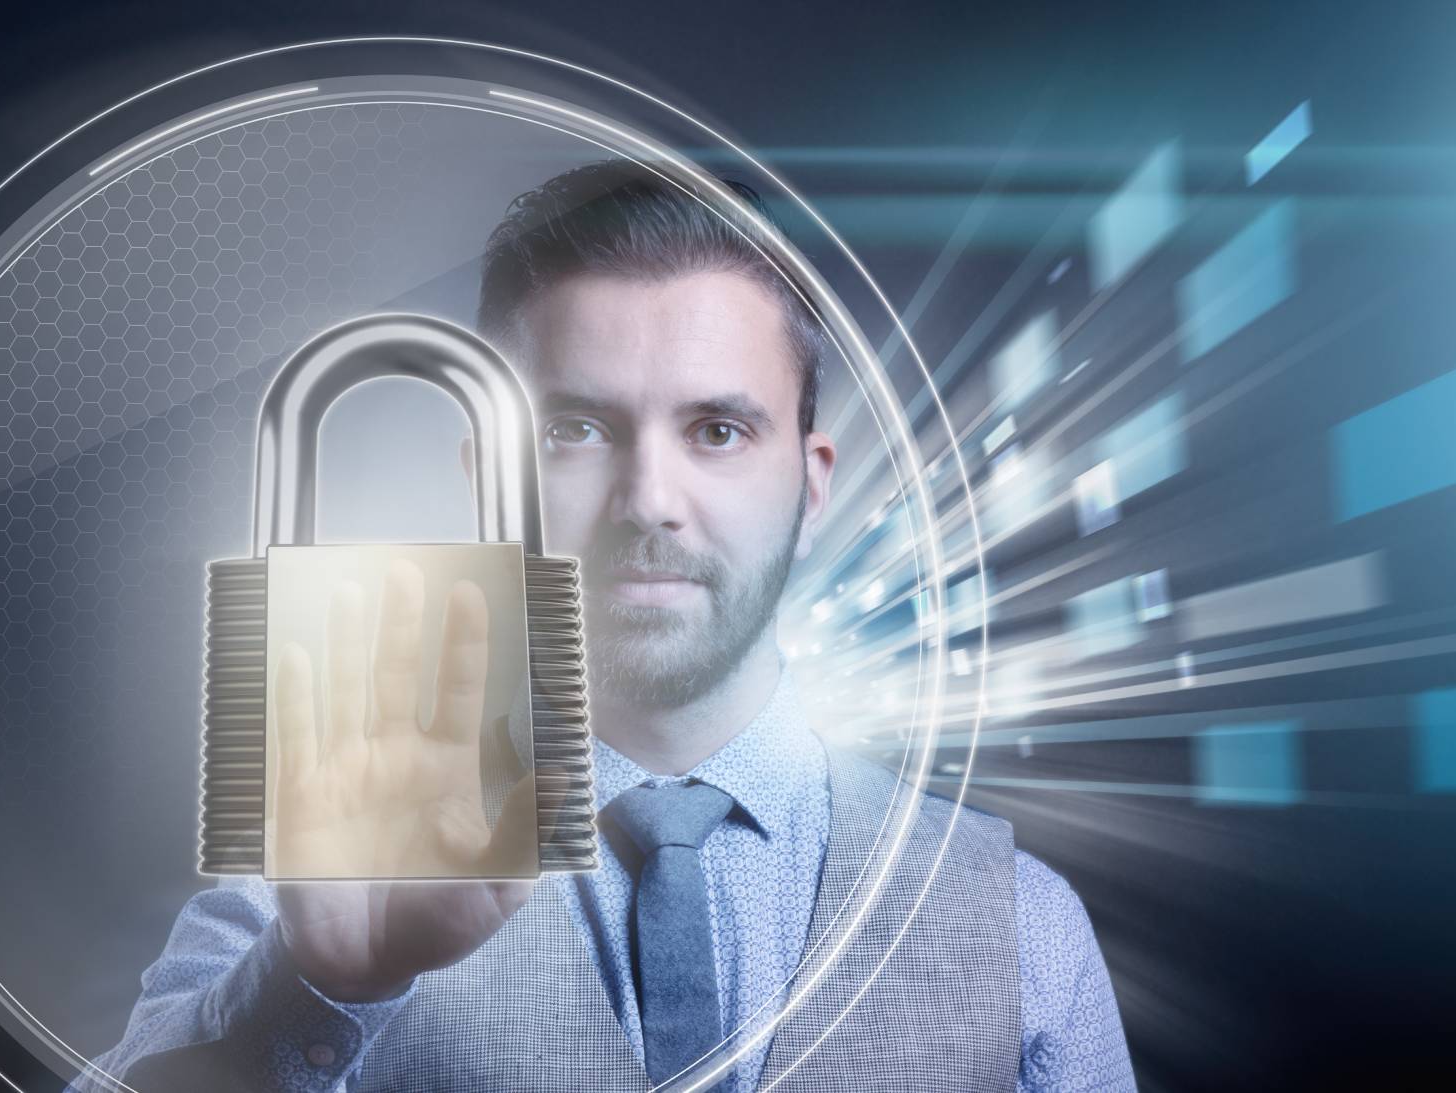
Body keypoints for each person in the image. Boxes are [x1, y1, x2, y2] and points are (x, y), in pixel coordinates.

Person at [73, 162, 1133, 1092]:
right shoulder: (316, 886)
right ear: (480, 479)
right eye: (575, 429)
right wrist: (314, 992)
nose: (649, 499)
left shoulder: (1018, 921)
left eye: (718, 429)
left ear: (812, 488)